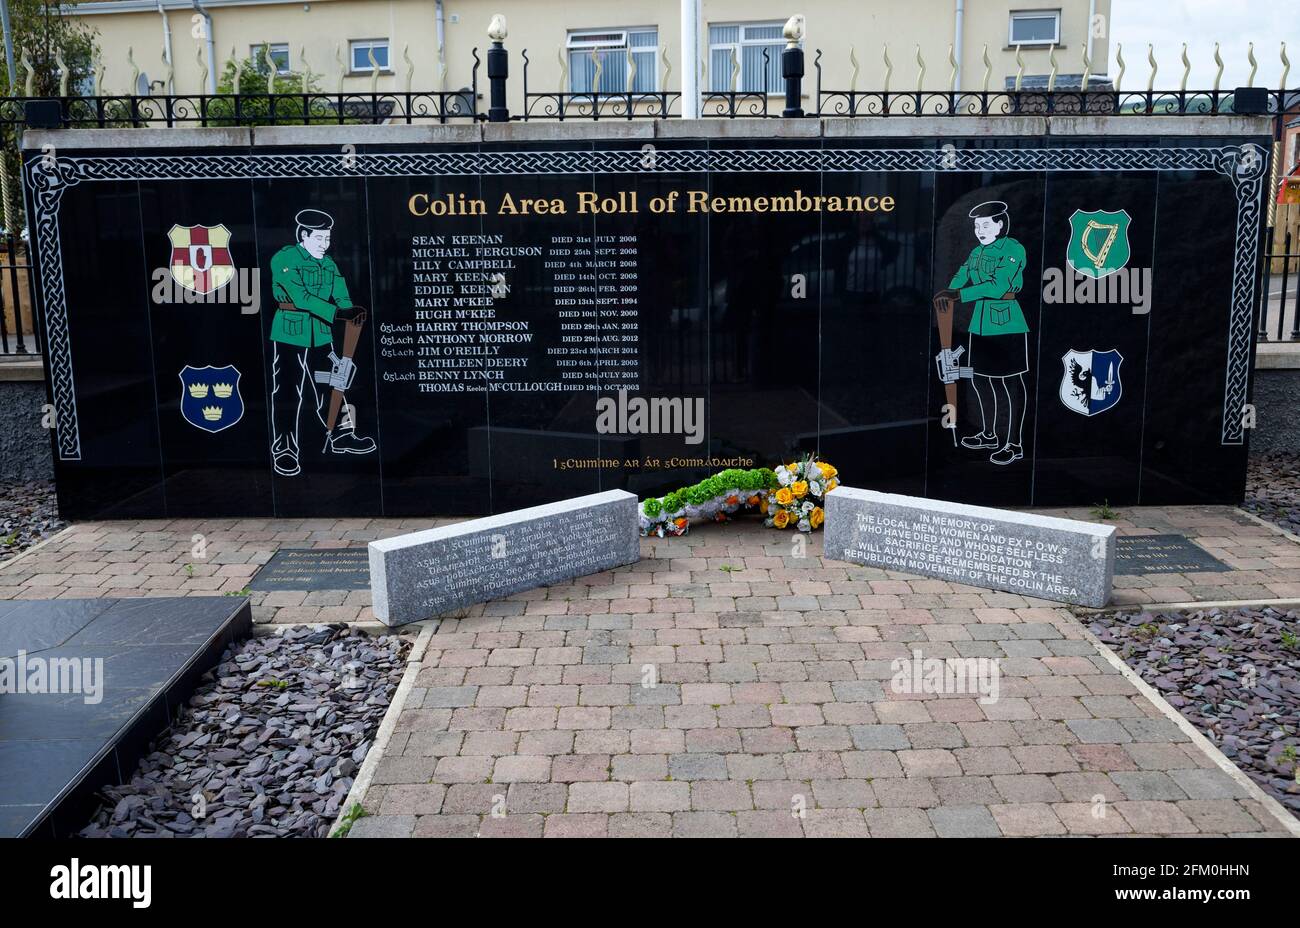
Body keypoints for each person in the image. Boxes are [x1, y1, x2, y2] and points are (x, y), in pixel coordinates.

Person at [269, 209, 376, 477]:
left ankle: (341, 435)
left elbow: (341, 293)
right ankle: (284, 448)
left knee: (331, 381)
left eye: (327, 239)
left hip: (320, 332)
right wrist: (340, 314)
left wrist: (351, 311)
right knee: (288, 388)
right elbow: (301, 297)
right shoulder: (285, 258)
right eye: (319, 239)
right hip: (290, 331)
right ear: (303, 235)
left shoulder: (328, 264)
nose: (325, 244)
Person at [934, 200, 1029, 466]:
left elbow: (998, 286)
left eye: (985, 225)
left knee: (1007, 384)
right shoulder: (978, 252)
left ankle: (1013, 443)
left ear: (1000, 224)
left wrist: (959, 294)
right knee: (981, 380)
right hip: (982, 321)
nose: (980, 231)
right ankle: (989, 433)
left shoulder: (1012, 249)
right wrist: (946, 291)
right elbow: (961, 273)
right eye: (977, 226)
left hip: (1006, 321)